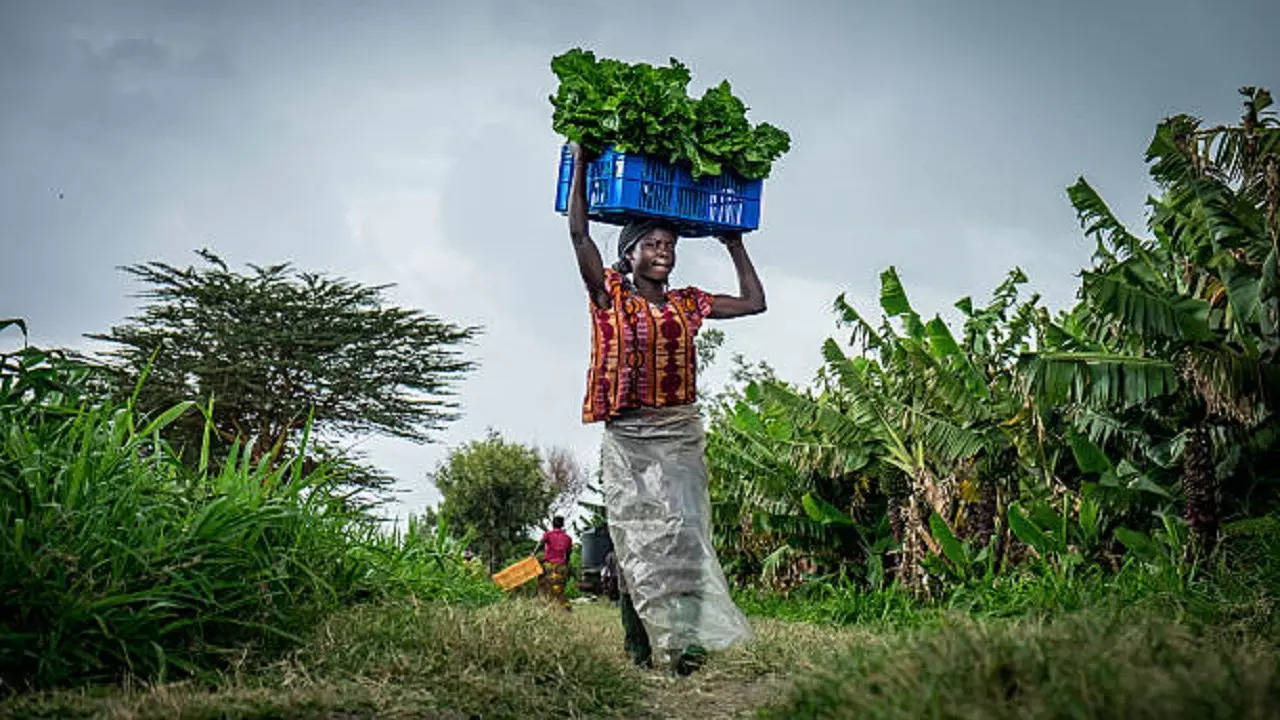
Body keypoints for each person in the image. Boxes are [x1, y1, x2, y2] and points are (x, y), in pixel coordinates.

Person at [565, 143, 764, 675]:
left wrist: (734, 242)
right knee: (635, 540)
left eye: (669, 244)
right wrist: (582, 162)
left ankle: (686, 647)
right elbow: (580, 234)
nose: (664, 251)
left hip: (678, 431)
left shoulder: (687, 303)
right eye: (652, 244)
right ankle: (640, 645)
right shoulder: (609, 295)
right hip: (628, 433)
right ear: (628, 254)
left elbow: (754, 302)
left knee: (685, 536)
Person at [533, 515, 573, 609]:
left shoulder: (548, 534)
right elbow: (568, 554)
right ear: (562, 525)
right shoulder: (568, 538)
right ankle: (563, 606)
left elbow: (541, 543)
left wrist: (533, 553)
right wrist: (566, 565)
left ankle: (547, 606)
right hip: (561, 567)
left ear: (553, 524)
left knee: (544, 586)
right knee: (559, 588)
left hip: (549, 566)